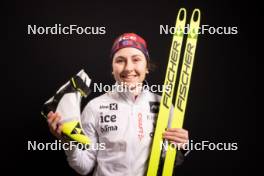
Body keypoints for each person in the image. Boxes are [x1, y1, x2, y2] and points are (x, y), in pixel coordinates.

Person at [47, 33, 189, 176]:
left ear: (147, 67)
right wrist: (68, 141)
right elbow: (84, 167)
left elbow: (170, 161)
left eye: (136, 59)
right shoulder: (94, 107)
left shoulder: (164, 106)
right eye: (120, 61)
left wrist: (181, 147)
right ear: (112, 69)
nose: (128, 68)